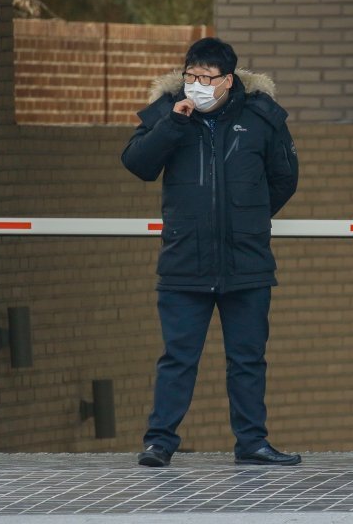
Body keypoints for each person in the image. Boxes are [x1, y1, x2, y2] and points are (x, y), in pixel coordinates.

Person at [122, 37, 299, 467]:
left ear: (228, 80)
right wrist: (173, 124)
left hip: (246, 262)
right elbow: (138, 164)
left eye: (207, 77)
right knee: (178, 358)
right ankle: (159, 442)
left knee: (247, 359)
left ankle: (252, 443)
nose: (198, 84)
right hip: (185, 261)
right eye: (192, 76)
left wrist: (247, 217)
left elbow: (284, 178)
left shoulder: (261, 117)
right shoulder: (168, 112)